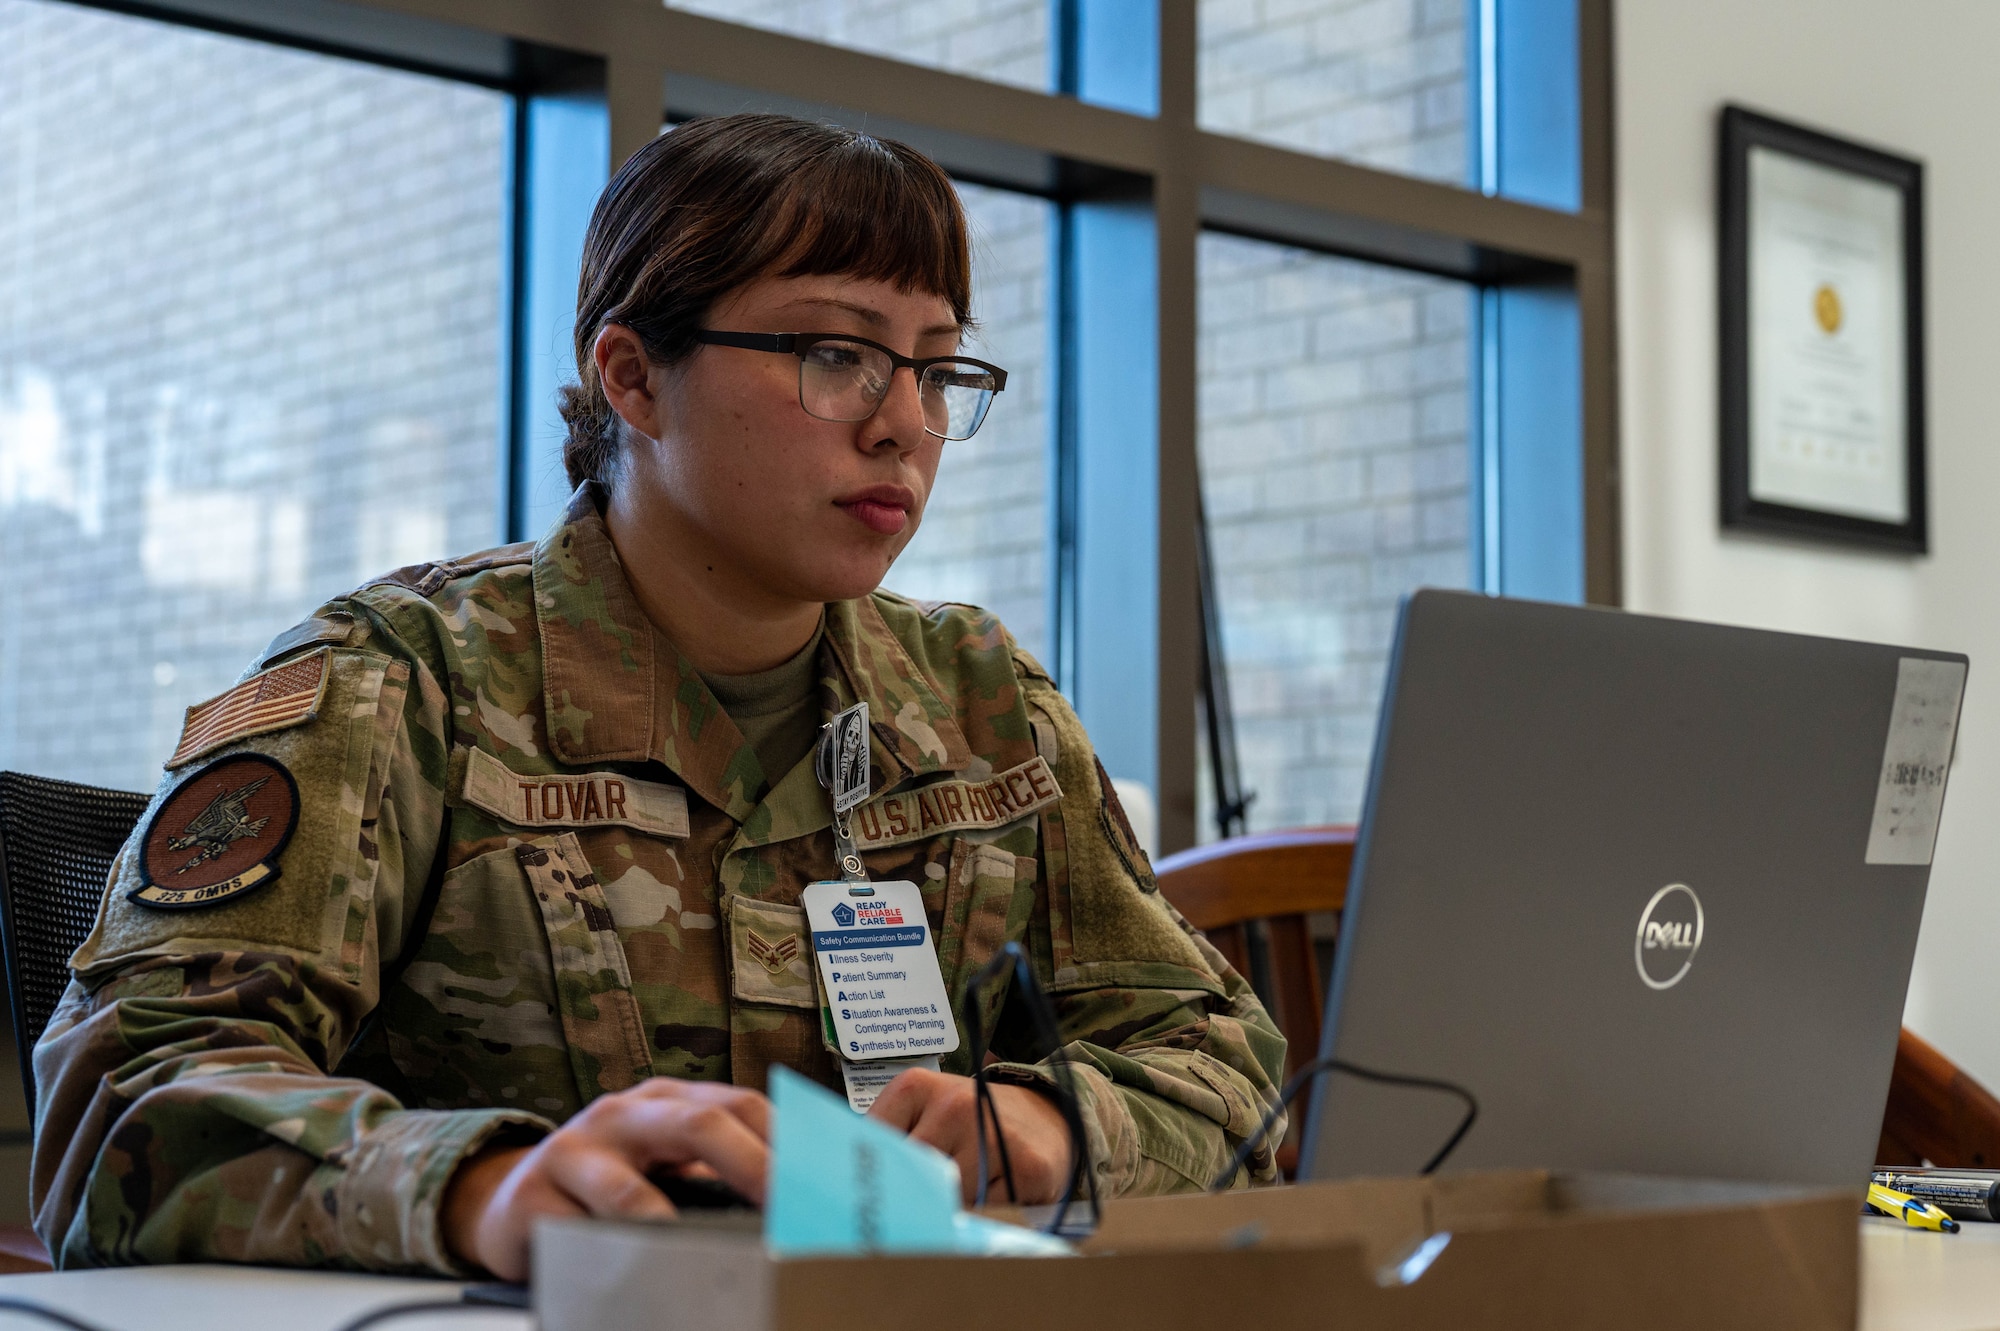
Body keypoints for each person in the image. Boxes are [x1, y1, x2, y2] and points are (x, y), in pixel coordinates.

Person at [30, 113, 1286, 1281]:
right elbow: (123, 1090)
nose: (904, 423)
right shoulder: (403, 682)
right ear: (630, 377)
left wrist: (1041, 1128)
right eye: (836, 355)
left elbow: (1226, 1063)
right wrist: (483, 1187)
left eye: (937, 370)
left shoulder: (979, 701)